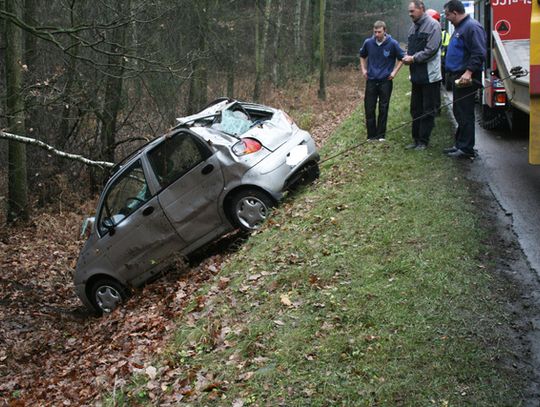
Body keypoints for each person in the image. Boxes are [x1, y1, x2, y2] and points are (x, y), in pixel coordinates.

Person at [443, 0, 486, 158]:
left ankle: (466, 149)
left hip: (466, 77)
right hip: (458, 77)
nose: (447, 18)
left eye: (447, 15)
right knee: (459, 111)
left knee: (465, 111)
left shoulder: (472, 27)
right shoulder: (460, 27)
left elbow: (479, 52)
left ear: (455, 12)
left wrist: (468, 73)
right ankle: (459, 144)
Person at [402, 0, 442, 151]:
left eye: (412, 11)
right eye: (409, 11)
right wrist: (407, 55)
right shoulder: (413, 27)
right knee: (415, 109)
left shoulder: (433, 25)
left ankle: (423, 141)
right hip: (416, 75)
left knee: (427, 109)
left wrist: (413, 58)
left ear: (421, 9)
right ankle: (416, 139)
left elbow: (431, 50)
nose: (410, 14)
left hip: (430, 76)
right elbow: (409, 47)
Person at [359, 20, 405, 141]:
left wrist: (394, 72)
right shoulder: (368, 43)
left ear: (385, 31)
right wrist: (364, 69)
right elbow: (362, 55)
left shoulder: (393, 43)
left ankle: (381, 135)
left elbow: (402, 58)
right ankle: (371, 135)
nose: (377, 34)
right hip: (371, 80)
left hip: (385, 80)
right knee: (369, 107)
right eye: (375, 32)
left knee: (383, 107)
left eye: (379, 32)